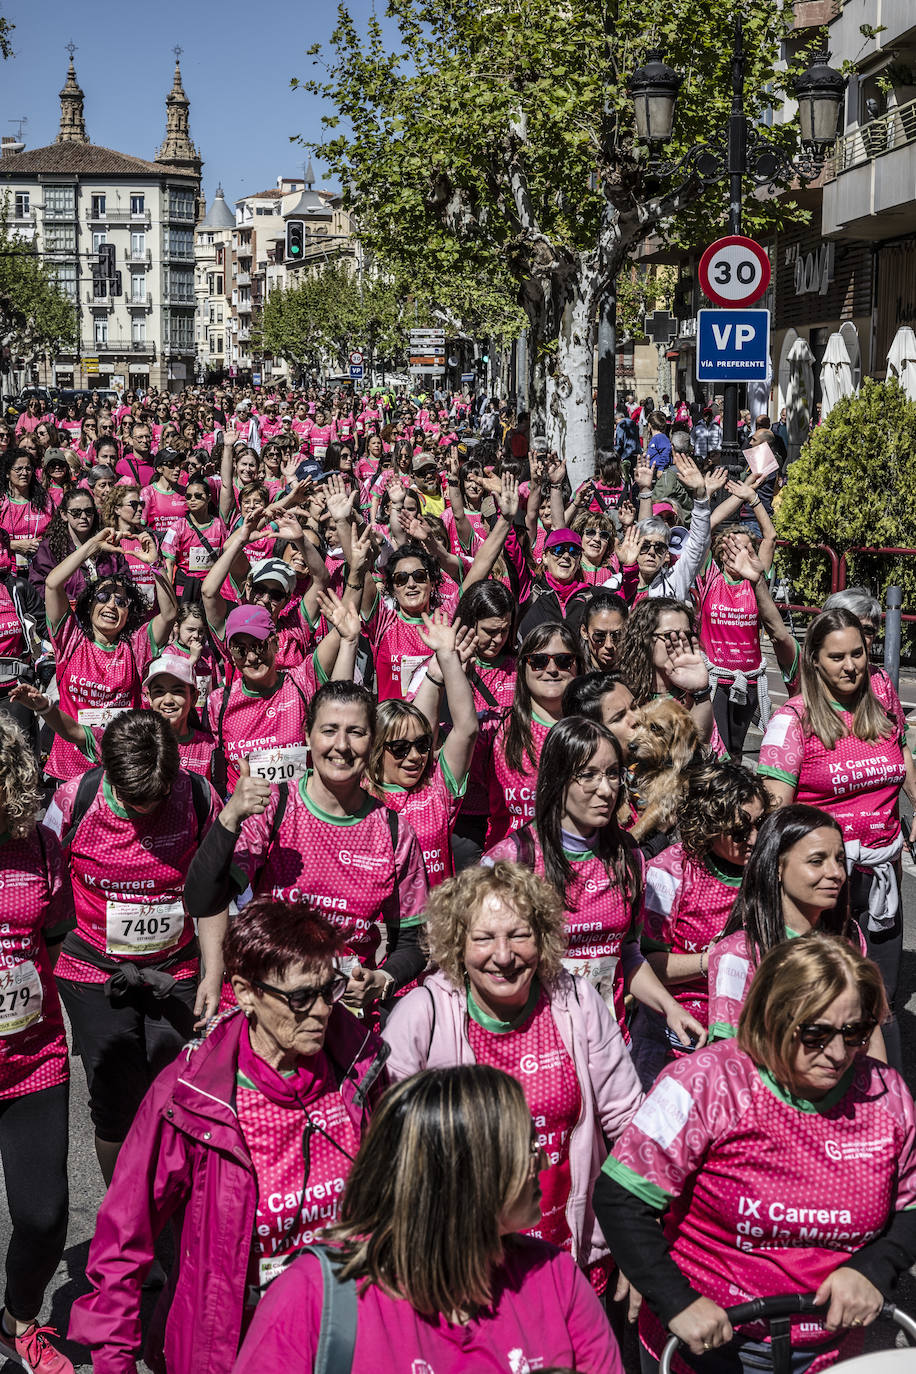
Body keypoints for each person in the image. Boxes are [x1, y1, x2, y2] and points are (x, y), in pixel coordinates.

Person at [68, 896, 388, 1374]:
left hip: (354, 1335)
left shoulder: (361, 1066)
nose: (321, 1011)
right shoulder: (190, 1096)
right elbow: (121, 1245)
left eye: (330, 990)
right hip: (236, 1347)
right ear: (244, 991)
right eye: (301, 996)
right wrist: (114, 1363)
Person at [594, 933, 916, 1373]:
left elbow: (910, 1207)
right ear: (773, 1015)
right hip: (710, 1343)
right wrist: (676, 1299)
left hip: (829, 1348)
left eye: (855, 1031)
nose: (839, 1053)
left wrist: (873, 1270)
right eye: (816, 1033)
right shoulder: (705, 1081)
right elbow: (620, 1195)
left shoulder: (887, 1095)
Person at [235, 1064, 625, 1372]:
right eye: (524, 1146)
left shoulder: (555, 1276)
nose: (543, 1160)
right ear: (464, 1174)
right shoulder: (315, 1295)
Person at [383, 862, 643, 1294]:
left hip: (572, 1258)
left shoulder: (576, 1001)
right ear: (457, 944)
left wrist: (638, 1244)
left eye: (519, 935)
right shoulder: (423, 1015)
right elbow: (389, 1147)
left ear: (542, 938)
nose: (503, 957)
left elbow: (630, 1123)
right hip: (460, 1266)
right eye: (483, 938)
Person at [43, 711, 227, 1185]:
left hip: (178, 970)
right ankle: (129, 1220)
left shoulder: (198, 795)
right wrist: (61, 952)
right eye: (132, 800)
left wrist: (212, 972)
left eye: (156, 799)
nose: (145, 810)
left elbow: (213, 891)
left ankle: (178, 1204)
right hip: (93, 973)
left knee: (181, 1090)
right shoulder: (74, 798)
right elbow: (44, 875)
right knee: (117, 1100)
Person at [186, 681, 429, 1012]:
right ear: (307, 735)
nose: (341, 745)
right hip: (267, 1007)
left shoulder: (394, 831)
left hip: (344, 1016)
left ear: (373, 741)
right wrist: (228, 818)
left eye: (356, 732)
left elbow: (412, 943)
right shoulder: (274, 807)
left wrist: (383, 979)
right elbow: (201, 899)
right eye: (329, 730)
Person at [757, 607, 915, 1069]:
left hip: (882, 879)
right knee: (824, 1001)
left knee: (879, 1002)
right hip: (823, 886)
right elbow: (774, 818)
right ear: (814, 661)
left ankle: (889, 1112)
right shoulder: (793, 722)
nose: (851, 666)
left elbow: (902, 759)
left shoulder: (881, 708)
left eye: (858, 654)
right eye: (837, 657)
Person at [0, 720, 74, 1374]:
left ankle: (17, 1321)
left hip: (33, 1060)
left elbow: (52, 938)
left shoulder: (43, 848)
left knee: (46, 1214)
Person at [705, 804, 881, 1050]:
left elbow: (869, 1034)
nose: (836, 873)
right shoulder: (738, 954)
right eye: (817, 861)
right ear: (777, 866)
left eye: (839, 860)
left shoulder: (849, 934)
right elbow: (730, 1057)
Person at [636, 761, 768, 1078]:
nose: (755, 837)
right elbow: (643, 964)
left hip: (752, 1033)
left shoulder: (773, 868)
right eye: (740, 831)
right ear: (709, 826)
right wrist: (710, 961)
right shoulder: (669, 871)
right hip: (678, 1031)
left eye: (762, 822)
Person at [42, 525, 177, 783]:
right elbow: (51, 584)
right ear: (89, 604)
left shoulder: (137, 647)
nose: (111, 605)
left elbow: (169, 614)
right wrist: (91, 547)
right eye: (103, 596)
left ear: (129, 613)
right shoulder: (70, 641)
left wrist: (155, 564)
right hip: (70, 768)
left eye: (122, 601)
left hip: (122, 764)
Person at [365, 613, 478, 887]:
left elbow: (466, 729)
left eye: (422, 746)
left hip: (436, 924)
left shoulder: (436, 788)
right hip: (381, 924)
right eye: (400, 748)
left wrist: (446, 661)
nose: (415, 756)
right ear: (376, 749)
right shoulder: (360, 793)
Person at [487, 623, 584, 846]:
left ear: (578, 666)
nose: (551, 669)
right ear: (522, 668)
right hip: (514, 865)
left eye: (563, 660)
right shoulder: (495, 726)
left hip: (578, 864)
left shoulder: (595, 728)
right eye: (539, 661)